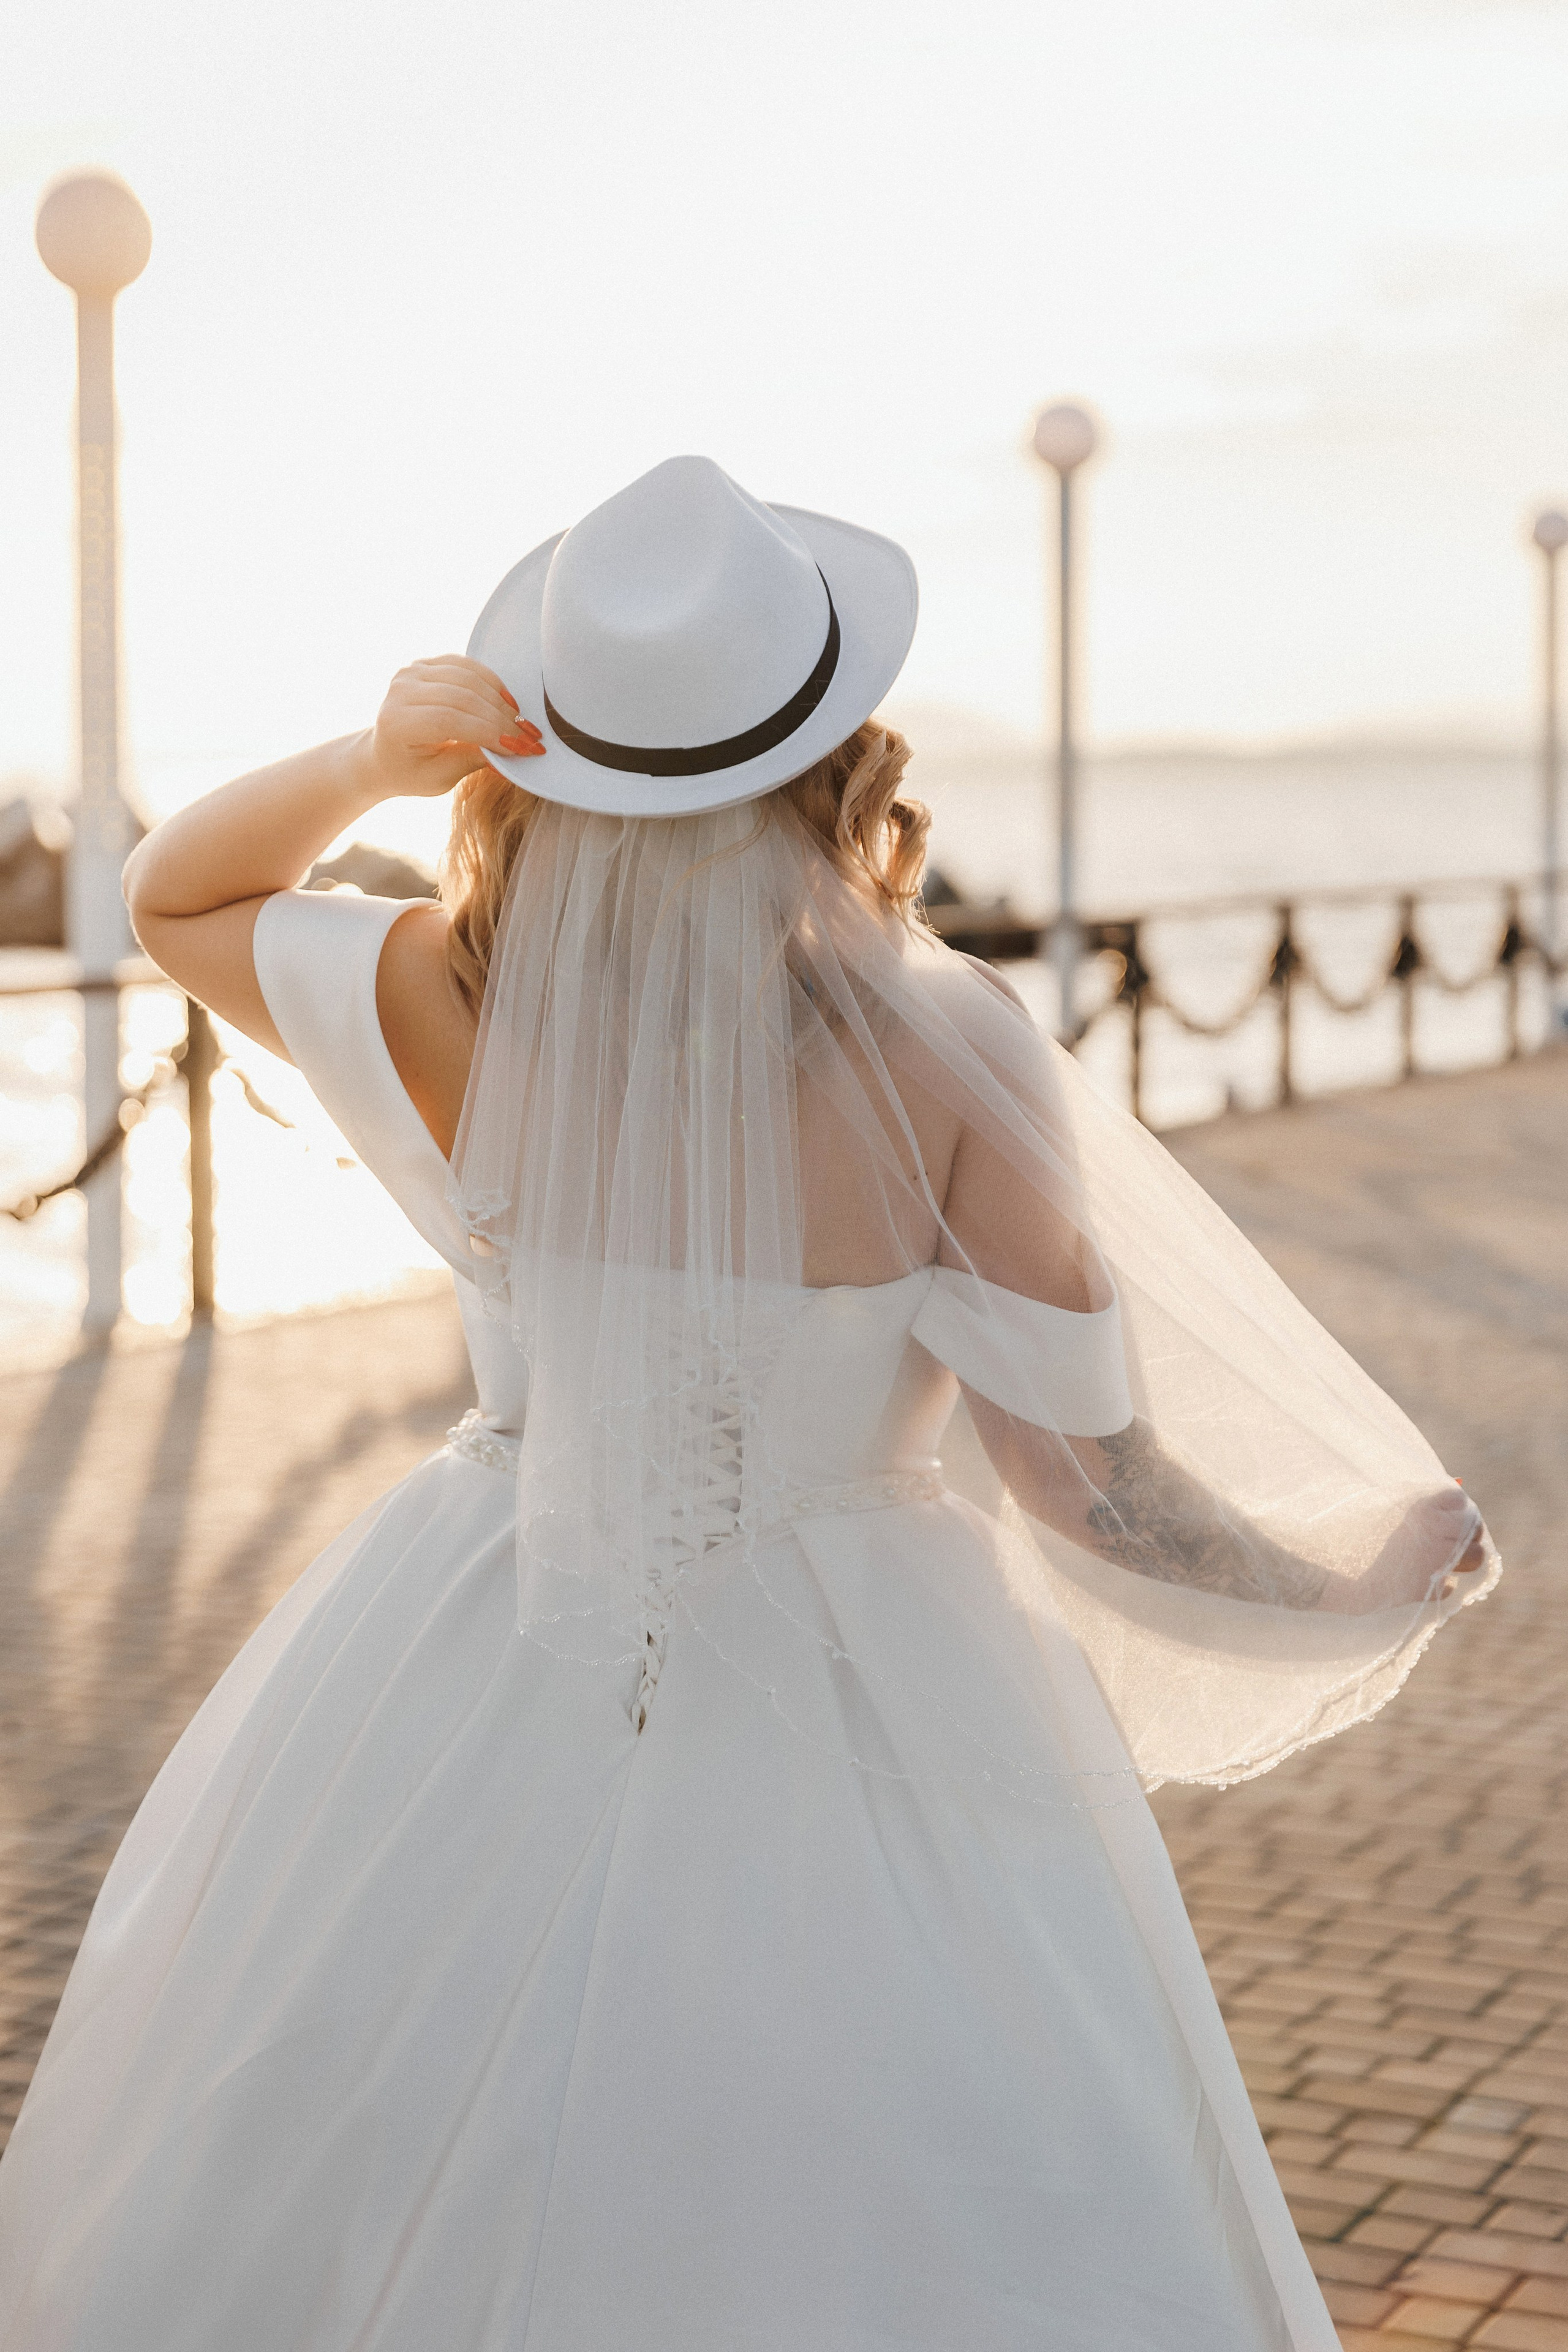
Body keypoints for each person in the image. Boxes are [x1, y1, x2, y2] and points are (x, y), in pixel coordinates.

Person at [0, 456, 1495, 2351]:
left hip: (470, 1632)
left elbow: (172, 892)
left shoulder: (442, 998)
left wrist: (377, 759)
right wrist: (1348, 1582)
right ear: (833, 761)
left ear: (542, 762)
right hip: (869, 1680)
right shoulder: (951, 1057)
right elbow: (1090, 1494)